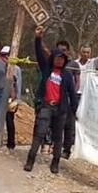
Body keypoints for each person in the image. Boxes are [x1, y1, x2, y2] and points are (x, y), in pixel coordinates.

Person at [24, 26, 78, 174]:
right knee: (40, 133)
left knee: (57, 137)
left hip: (61, 110)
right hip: (46, 106)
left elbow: (72, 94)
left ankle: (55, 163)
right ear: (53, 58)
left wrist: (75, 110)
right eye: (57, 58)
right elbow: (39, 53)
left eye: (62, 58)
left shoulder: (67, 75)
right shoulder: (46, 69)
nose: (60, 60)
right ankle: (30, 160)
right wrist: (38, 38)